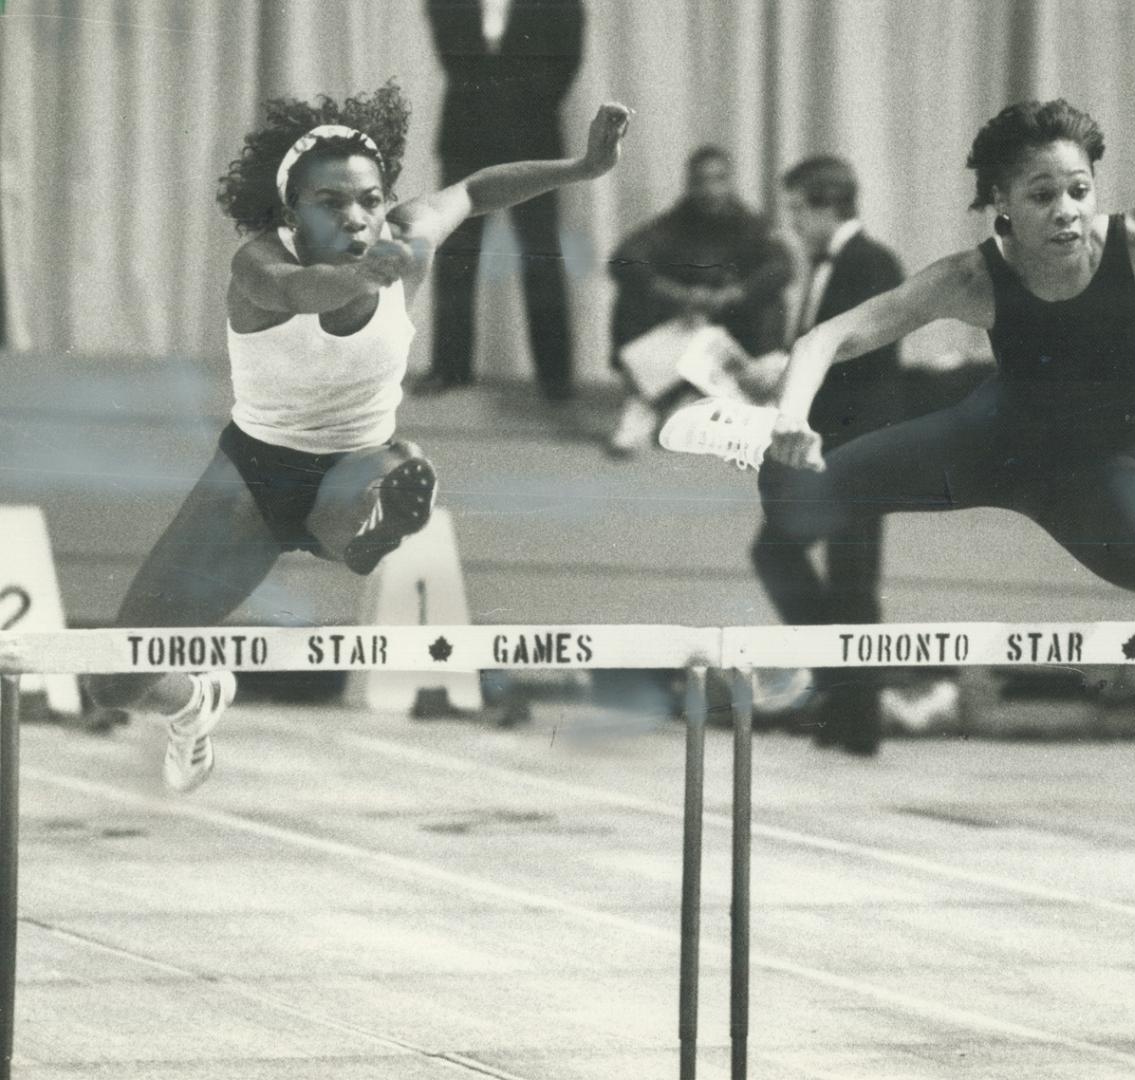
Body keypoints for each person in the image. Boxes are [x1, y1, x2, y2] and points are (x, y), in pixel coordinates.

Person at [663, 98, 1135, 776]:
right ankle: (754, 434)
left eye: (1079, 189)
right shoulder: (972, 279)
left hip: (1093, 471)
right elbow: (830, 336)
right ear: (1001, 207)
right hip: (989, 444)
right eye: (1042, 196)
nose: (1068, 212)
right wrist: (790, 418)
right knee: (798, 507)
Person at [81, 82, 631, 793]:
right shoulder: (257, 262)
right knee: (111, 682)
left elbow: (476, 190)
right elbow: (294, 293)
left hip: (355, 459)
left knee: (377, 483)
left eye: (370, 199)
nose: (358, 217)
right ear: (290, 211)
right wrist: (356, 277)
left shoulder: (406, 238)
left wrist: (580, 169)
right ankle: (194, 700)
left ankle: (376, 513)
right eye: (332, 203)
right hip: (253, 474)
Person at [749, 156, 907, 755]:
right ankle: (846, 702)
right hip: (832, 449)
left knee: (848, 580)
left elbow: (859, 356)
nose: (791, 222)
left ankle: (854, 717)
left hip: (860, 449)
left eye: (796, 209)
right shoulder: (829, 266)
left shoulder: (873, 262)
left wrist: (784, 367)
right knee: (818, 570)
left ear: (825, 204)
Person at [419, 0, 586, 400]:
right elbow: (452, 57)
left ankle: (555, 376)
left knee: (541, 256)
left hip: (532, 136)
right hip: (466, 135)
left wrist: (516, 100)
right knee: (456, 255)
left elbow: (566, 63)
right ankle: (450, 368)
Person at [605, 146, 791, 452]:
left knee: (770, 300)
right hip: (686, 329)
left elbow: (781, 267)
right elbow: (624, 259)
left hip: (735, 338)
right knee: (631, 293)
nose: (710, 190)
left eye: (718, 179)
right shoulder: (673, 224)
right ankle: (644, 403)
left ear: (731, 181)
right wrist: (679, 295)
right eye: (701, 181)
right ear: (689, 185)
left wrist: (734, 295)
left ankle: (727, 406)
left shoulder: (751, 226)